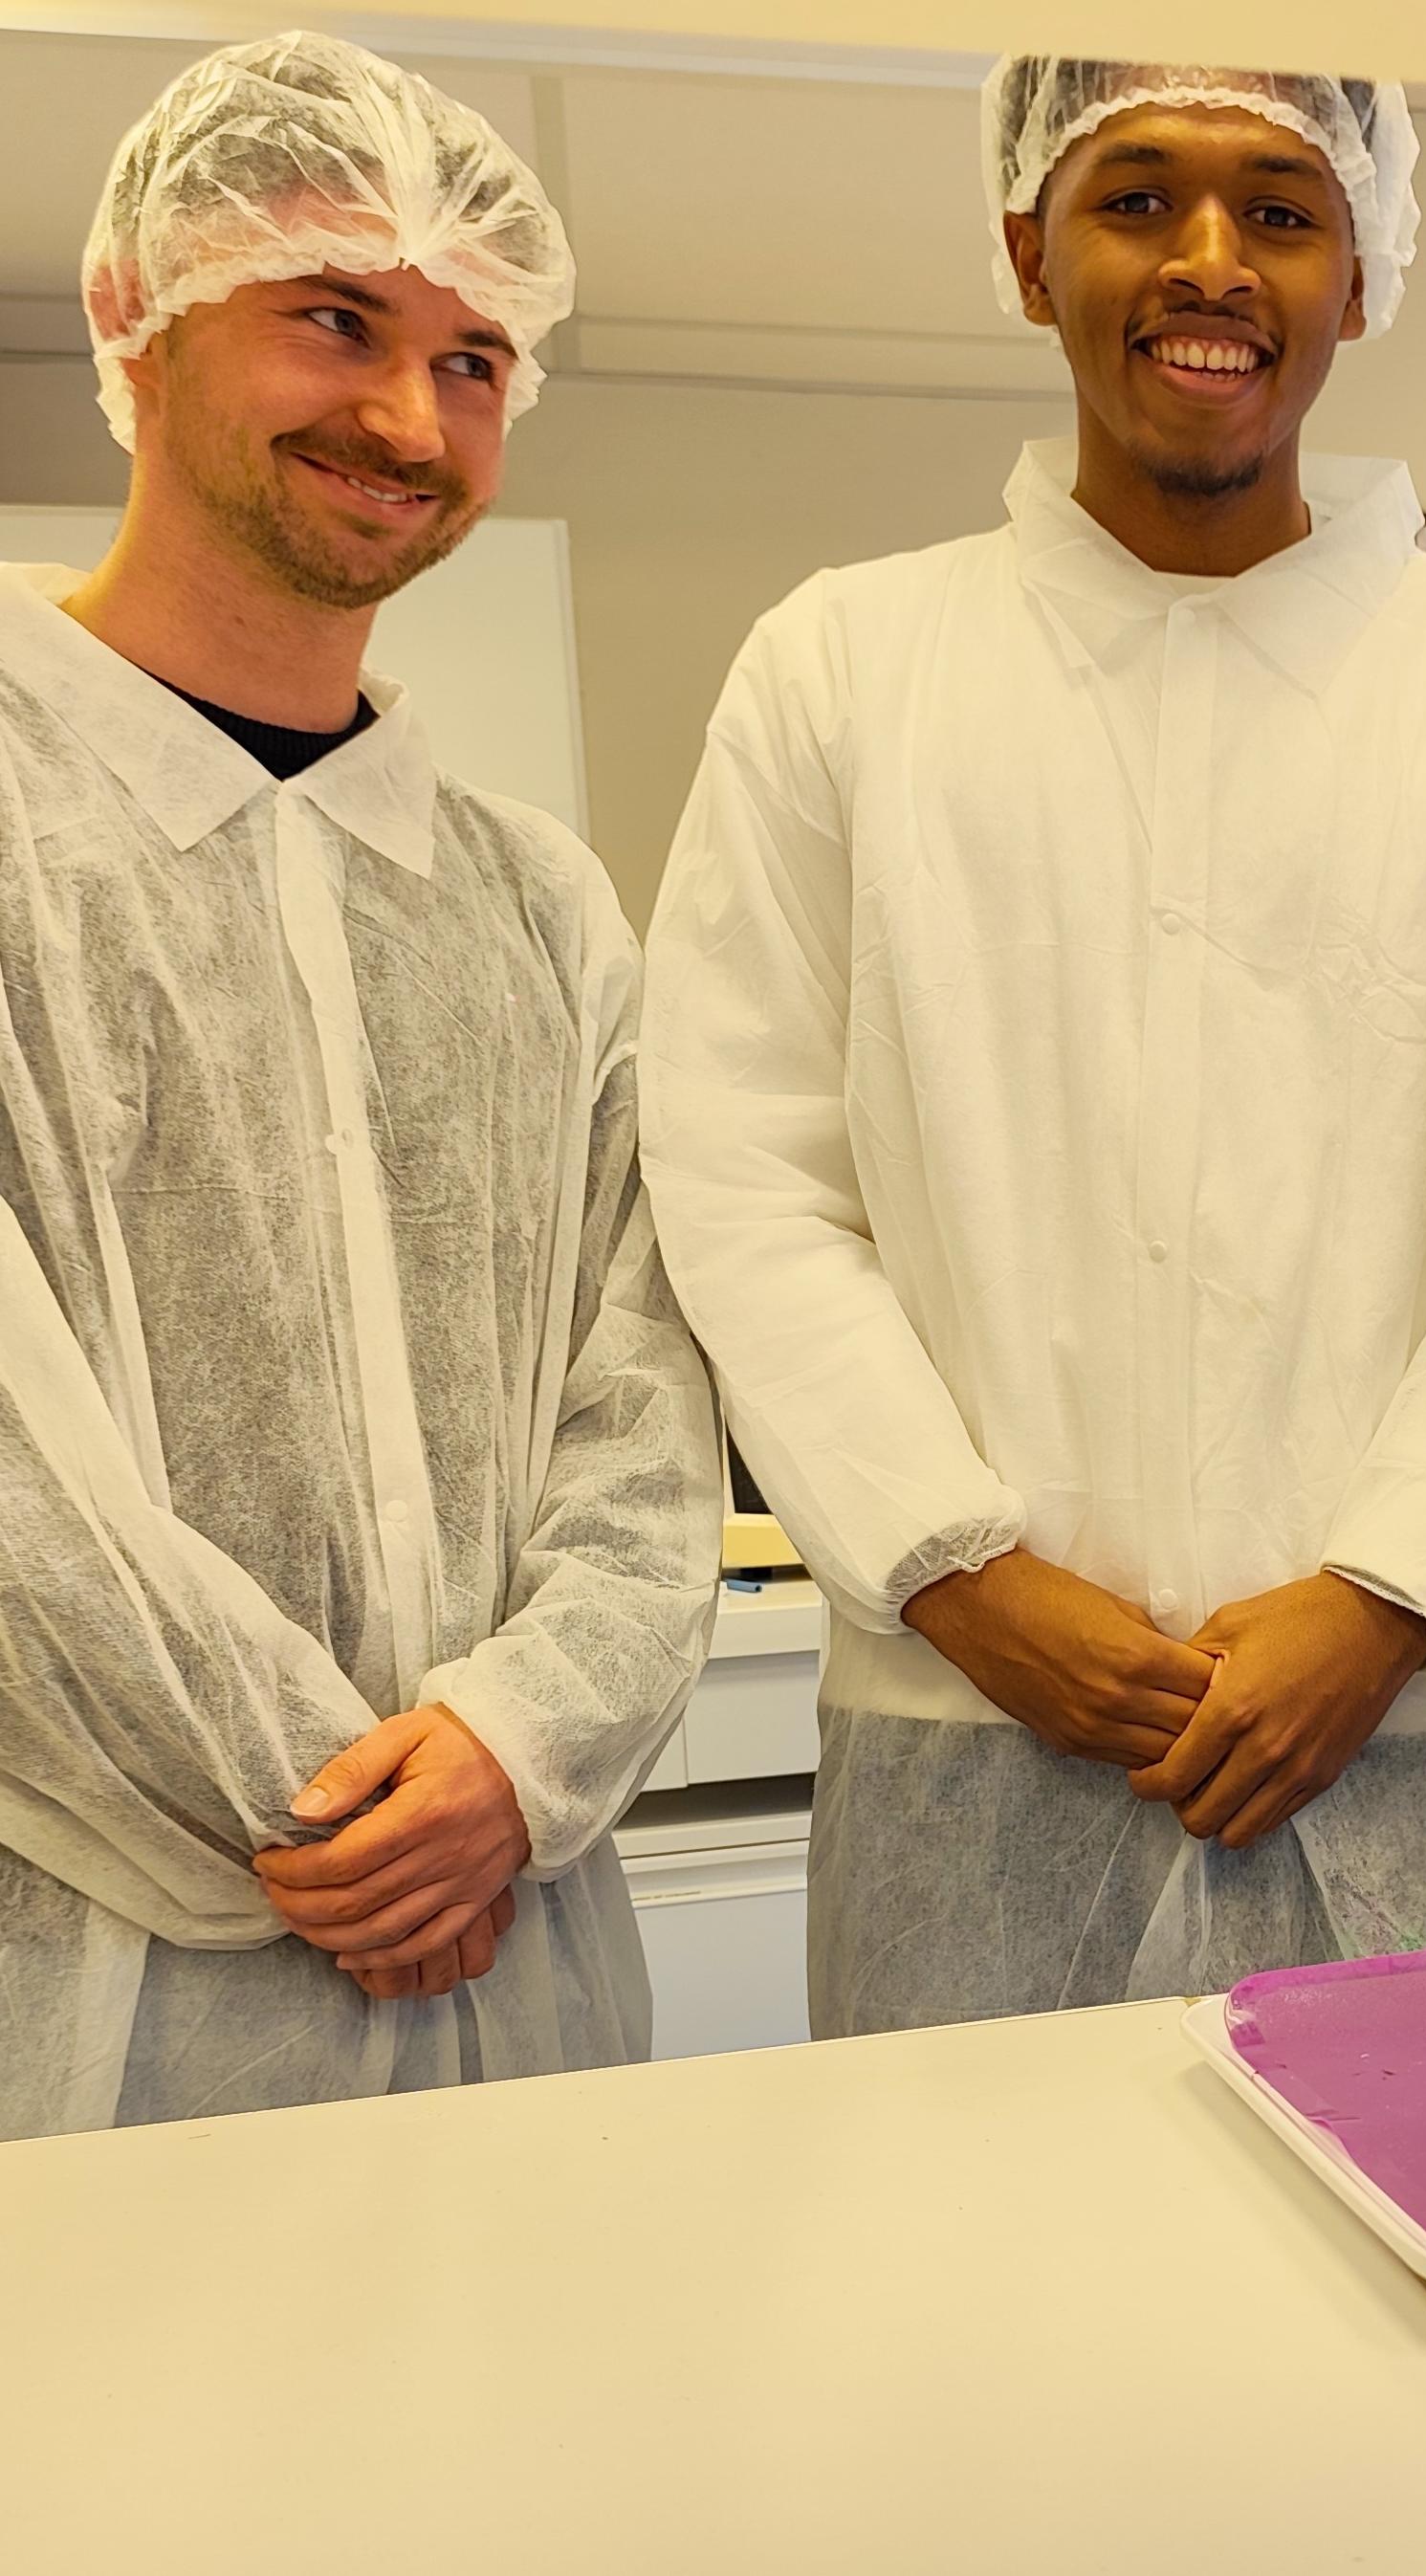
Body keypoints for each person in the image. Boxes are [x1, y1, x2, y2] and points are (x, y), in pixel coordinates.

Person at [643, 57, 1426, 2032]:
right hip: (970, 1736)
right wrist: (956, 1572)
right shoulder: (844, 668)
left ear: (1360, 276)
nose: (1210, 261)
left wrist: (1388, 1592)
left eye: (1280, 210)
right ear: (1029, 258)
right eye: (1135, 199)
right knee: (980, 2238)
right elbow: (739, 1166)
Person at [0, 33, 722, 2139]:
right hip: (95, 1991)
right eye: (335, 320)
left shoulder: (535, 905)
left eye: (472, 358)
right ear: (136, 315)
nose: (410, 418)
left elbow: (647, 1385)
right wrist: (330, 1825)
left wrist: (517, 1745)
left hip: (523, 1964)